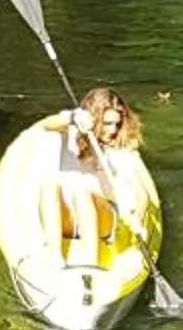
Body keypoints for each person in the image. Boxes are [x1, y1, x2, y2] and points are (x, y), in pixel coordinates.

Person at [53, 86, 146, 263]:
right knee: (49, 187)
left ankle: (90, 263)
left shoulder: (121, 149)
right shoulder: (72, 134)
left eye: (117, 124)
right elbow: (47, 126)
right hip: (67, 220)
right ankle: (54, 257)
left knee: (83, 193)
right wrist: (73, 118)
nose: (112, 130)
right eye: (107, 124)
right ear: (93, 120)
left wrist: (138, 219)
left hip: (101, 221)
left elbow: (141, 194)